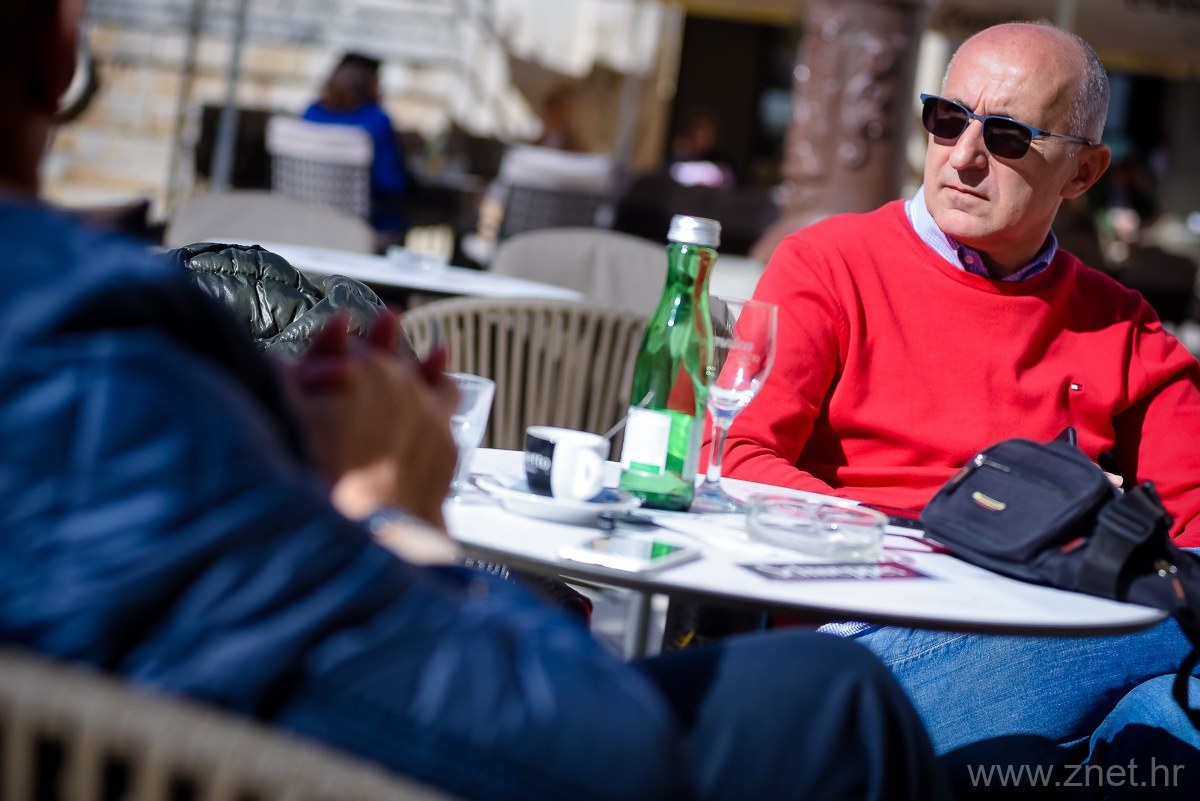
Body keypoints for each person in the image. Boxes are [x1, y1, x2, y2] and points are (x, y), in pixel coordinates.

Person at [0, 3, 951, 800]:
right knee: (839, 696)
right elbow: (598, 748)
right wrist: (397, 516)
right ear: (59, 48)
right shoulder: (91, 347)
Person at [719, 19, 1200, 790]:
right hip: (865, 635)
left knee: (1170, 718)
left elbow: (1193, 530)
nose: (964, 155)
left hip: (1043, 632)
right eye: (947, 119)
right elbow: (739, 457)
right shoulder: (829, 263)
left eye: (1007, 136)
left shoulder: (1122, 325)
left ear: (1082, 172)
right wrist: (948, 541)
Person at [303, 52, 409, 233]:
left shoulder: (310, 113)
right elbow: (388, 182)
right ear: (371, 83)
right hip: (363, 224)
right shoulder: (376, 119)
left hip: (306, 214)